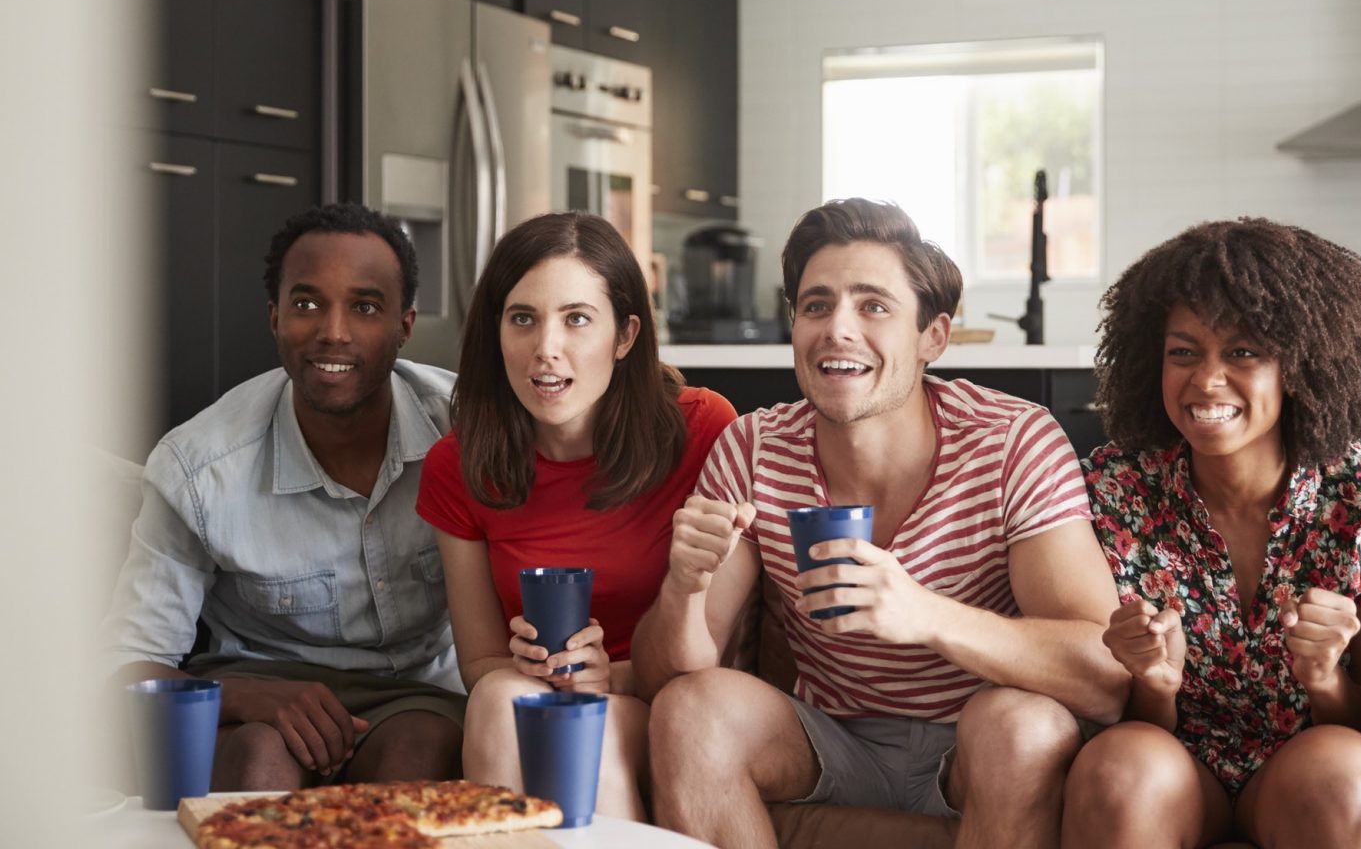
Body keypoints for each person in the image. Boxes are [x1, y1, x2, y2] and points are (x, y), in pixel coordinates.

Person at [634, 198, 1127, 849]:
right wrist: (684, 585)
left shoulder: (1010, 441)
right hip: (832, 735)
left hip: (977, 745)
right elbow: (666, 679)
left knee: (1024, 726)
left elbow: (1105, 675)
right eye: (816, 306)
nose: (837, 329)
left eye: (873, 306)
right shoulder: (753, 449)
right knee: (689, 711)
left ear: (934, 338)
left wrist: (925, 615)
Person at [1061, 219, 1361, 849]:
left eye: (1242, 353)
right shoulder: (1111, 487)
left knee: (1349, 779)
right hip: (1171, 767)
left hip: (1306, 767)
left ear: (1299, 365)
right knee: (1119, 767)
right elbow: (1107, 713)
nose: (1206, 381)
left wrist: (1325, 678)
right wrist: (1155, 686)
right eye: (1183, 352)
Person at [102, 203, 465, 791]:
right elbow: (126, 667)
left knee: (418, 755)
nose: (334, 331)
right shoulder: (198, 469)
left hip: (420, 694)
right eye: (306, 303)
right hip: (255, 685)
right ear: (274, 317)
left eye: (365, 307)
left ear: (405, 326)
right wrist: (248, 697)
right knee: (258, 758)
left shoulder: (469, 433)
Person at [415, 212, 735, 819]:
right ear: (496, 332)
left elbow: (725, 644)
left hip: (665, 697)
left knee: (581, 735)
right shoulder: (457, 465)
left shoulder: (702, 430)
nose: (545, 350)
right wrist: (530, 664)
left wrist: (611, 676)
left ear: (625, 335)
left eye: (577, 319)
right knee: (498, 699)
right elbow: (480, 662)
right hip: (532, 696)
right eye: (523, 319)